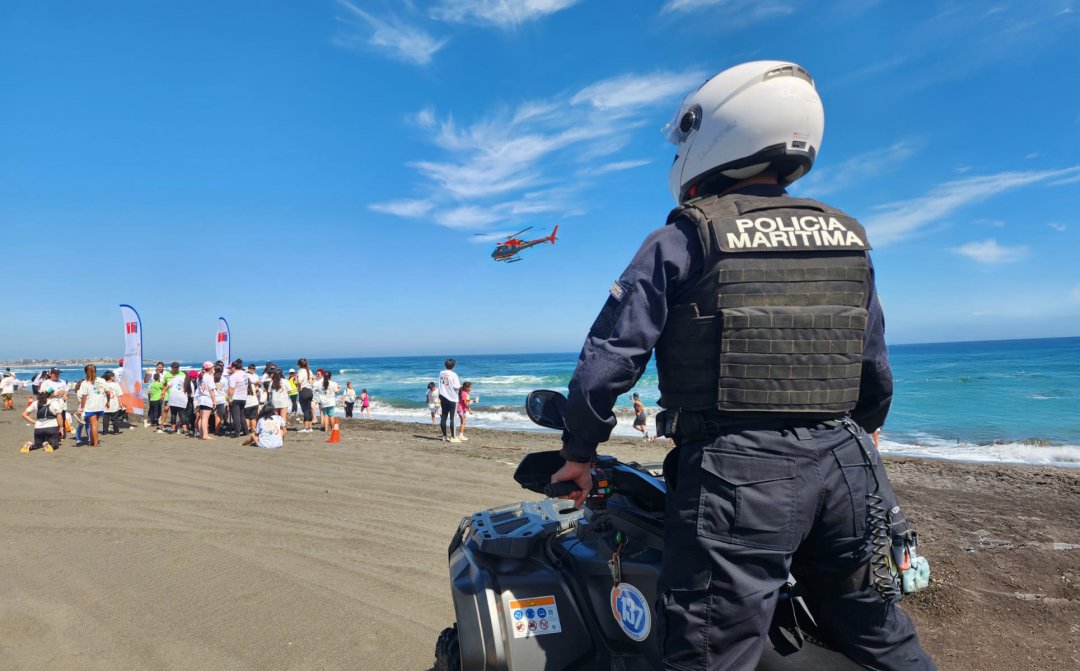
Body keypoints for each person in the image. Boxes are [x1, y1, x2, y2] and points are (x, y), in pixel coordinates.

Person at [548, 61, 934, 670]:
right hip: (846, 466)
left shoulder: (686, 237)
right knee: (875, 632)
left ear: (713, 132)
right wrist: (861, 432)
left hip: (738, 475)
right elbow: (873, 364)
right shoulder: (847, 238)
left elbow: (611, 358)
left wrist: (579, 451)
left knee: (711, 650)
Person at [77, 364, 107, 447]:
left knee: (93, 425)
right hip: (100, 406)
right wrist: (108, 401)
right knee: (93, 424)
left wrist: (82, 408)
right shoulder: (102, 380)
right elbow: (107, 392)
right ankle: (91, 441)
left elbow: (84, 396)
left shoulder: (85, 383)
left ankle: (95, 443)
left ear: (85, 372)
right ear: (96, 371)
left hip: (90, 406)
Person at [437, 358, 461, 442]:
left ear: (445, 365)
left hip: (443, 396)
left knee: (443, 417)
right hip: (452, 398)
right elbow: (456, 387)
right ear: (453, 366)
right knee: (453, 418)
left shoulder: (441, 373)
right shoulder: (454, 375)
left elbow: (444, 383)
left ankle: (444, 436)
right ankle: (453, 437)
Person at [195, 361, 217, 440]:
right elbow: (211, 389)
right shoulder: (209, 377)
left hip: (201, 399)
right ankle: (205, 435)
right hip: (207, 398)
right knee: (205, 418)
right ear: (211, 368)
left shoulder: (201, 376)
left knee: (202, 417)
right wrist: (214, 400)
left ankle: (201, 434)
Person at [226, 359, 249, 436]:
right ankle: (245, 430)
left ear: (234, 367)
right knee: (242, 415)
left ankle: (237, 432)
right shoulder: (244, 374)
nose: (230, 369)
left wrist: (229, 398)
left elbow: (232, 389)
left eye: (230, 368)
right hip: (243, 397)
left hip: (236, 397)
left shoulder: (233, 376)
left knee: (236, 415)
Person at [166, 368, 190, 435]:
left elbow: (168, 385)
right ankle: (185, 430)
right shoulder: (188, 380)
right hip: (181, 398)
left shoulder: (176, 377)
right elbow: (190, 392)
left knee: (173, 413)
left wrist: (163, 392)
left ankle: (173, 429)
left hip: (172, 397)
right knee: (182, 414)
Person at [101, 371, 124, 435]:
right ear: (111, 377)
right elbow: (119, 395)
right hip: (114, 404)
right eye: (114, 376)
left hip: (105, 404)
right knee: (115, 419)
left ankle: (105, 431)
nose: (115, 377)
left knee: (105, 419)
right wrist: (120, 404)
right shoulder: (115, 385)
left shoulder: (103, 384)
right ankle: (116, 431)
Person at [295, 359, 315, 432]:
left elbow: (299, 381)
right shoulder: (309, 370)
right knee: (309, 409)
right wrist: (310, 384)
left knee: (305, 410)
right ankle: (310, 427)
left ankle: (306, 428)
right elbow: (313, 379)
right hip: (309, 391)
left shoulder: (301, 371)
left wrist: (298, 386)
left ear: (299, 365)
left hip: (303, 391)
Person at [245, 364, 262, 435]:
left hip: (251, 398)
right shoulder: (247, 375)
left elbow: (258, 383)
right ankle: (251, 429)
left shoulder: (255, 375)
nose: (252, 370)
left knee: (249, 417)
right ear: (248, 369)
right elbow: (256, 382)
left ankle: (251, 429)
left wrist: (257, 384)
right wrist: (256, 383)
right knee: (251, 417)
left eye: (253, 369)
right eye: (251, 369)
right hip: (253, 399)